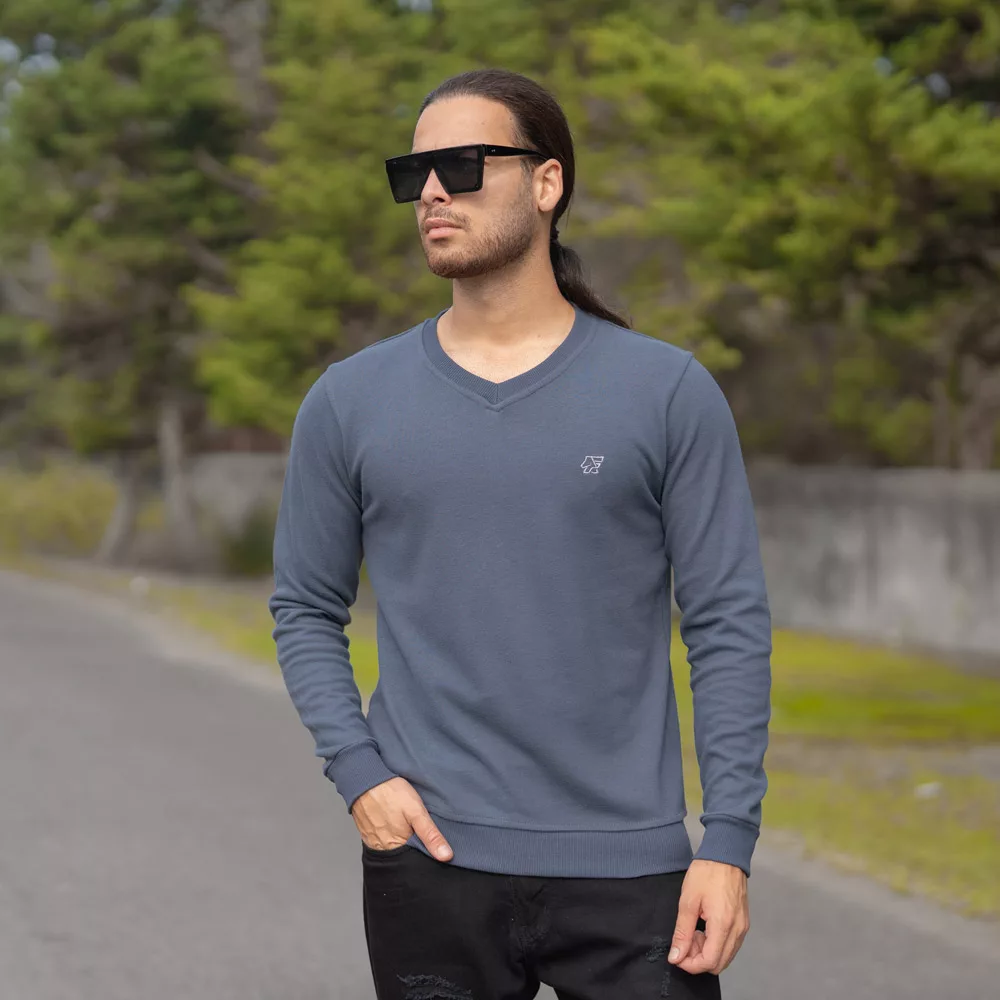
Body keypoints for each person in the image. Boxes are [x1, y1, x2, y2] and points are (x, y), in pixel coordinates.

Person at [269, 67, 772, 1000]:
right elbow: (303, 605)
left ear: (547, 184)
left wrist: (729, 842)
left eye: (462, 165)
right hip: (430, 862)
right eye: (413, 172)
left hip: (634, 874)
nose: (430, 191)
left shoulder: (666, 392)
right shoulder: (349, 400)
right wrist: (361, 774)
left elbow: (727, 624)